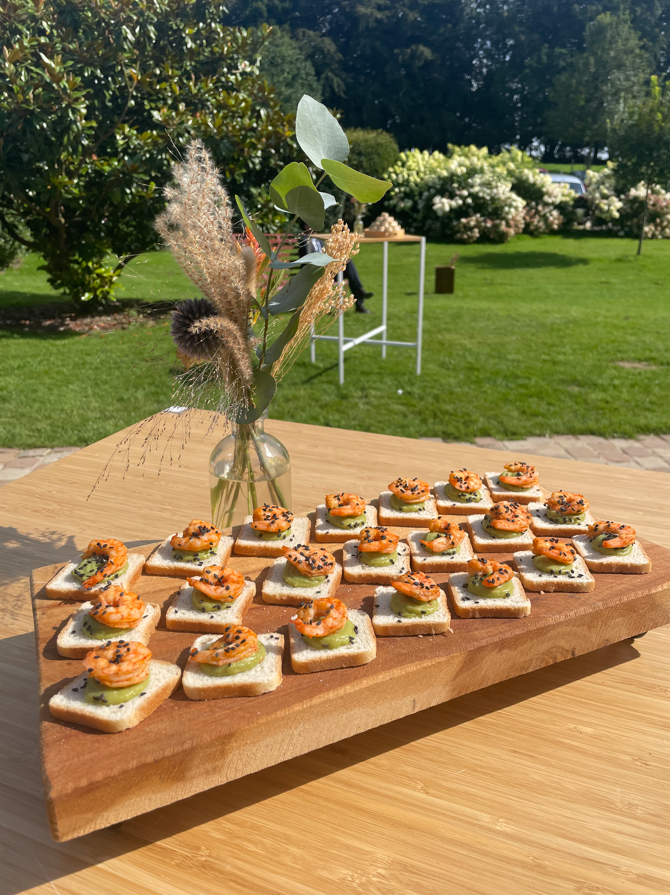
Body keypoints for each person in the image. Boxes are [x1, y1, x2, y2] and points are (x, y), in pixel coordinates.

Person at [298, 226, 374, 313]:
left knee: (347, 261)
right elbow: (305, 262)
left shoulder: (319, 239)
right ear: (305, 226)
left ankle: (359, 299)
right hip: (316, 274)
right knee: (346, 263)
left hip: (329, 272)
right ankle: (359, 296)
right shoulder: (303, 242)